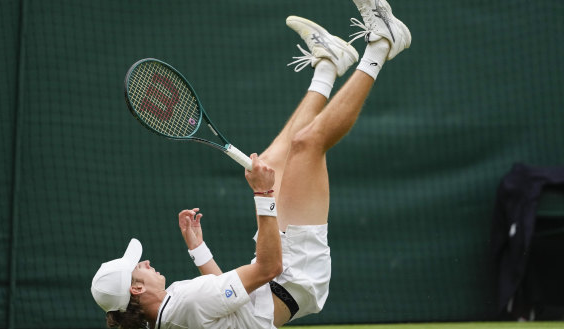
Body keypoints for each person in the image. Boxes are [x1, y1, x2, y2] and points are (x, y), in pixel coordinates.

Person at [91, 0, 411, 328]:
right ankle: (382, 43)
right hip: (295, 272)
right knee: (307, 145)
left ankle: (329, 65)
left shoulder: (170, 312)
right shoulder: (182, 303)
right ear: (136, 288)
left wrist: (198, 250)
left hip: (281, 279)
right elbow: (267, 268)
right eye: (137, 266)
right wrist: (264, 192)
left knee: (273, 158)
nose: (144, 262)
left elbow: (227, 306)